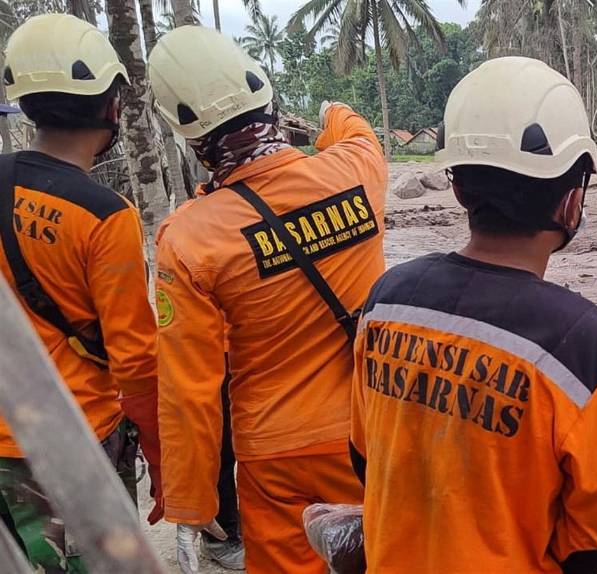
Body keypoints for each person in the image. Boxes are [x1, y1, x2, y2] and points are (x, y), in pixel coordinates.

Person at [350, 56, 597, 573]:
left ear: (459, 188)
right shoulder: (592, 351)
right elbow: (594, 540)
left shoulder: (386, 301)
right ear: (572, 200)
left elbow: (363, 457)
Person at [147, 26, 385, 574]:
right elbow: (348, 125)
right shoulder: (357, 168)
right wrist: (331, 112)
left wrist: (192, 502)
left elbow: (190, 388)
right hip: (374, 429)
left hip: (277, 453)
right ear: (267, 98)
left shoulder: (189, 238)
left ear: (188, 134)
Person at [0, 13, 163, 572]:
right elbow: (136, 360)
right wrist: (162, 457)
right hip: (71, 446)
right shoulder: (104, 217)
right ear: (111, 105)